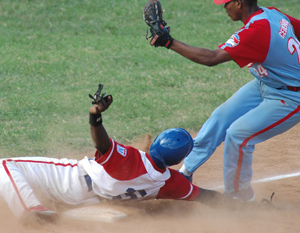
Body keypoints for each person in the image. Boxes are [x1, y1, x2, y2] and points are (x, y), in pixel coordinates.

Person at [145, 0, 300, 202]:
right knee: (221, 117)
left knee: (238, 135)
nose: (224, 8)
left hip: (291, 96)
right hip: (266, 83)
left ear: (239, 3)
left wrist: (169, 42)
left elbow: (211, 58)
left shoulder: (256, 32)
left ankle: (239, 197)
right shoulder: (271, 14)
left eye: (226, 4)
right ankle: (185, 173)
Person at [0, 87, 233, 224]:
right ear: (178, 161)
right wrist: (242, 206)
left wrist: (95, 115)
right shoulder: (171, 182)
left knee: (5, 165)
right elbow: (207, 196)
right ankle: (52, 212)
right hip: (88, 200)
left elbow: (102, 144)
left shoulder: (131, 159)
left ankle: (32, 212)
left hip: (68, 181)